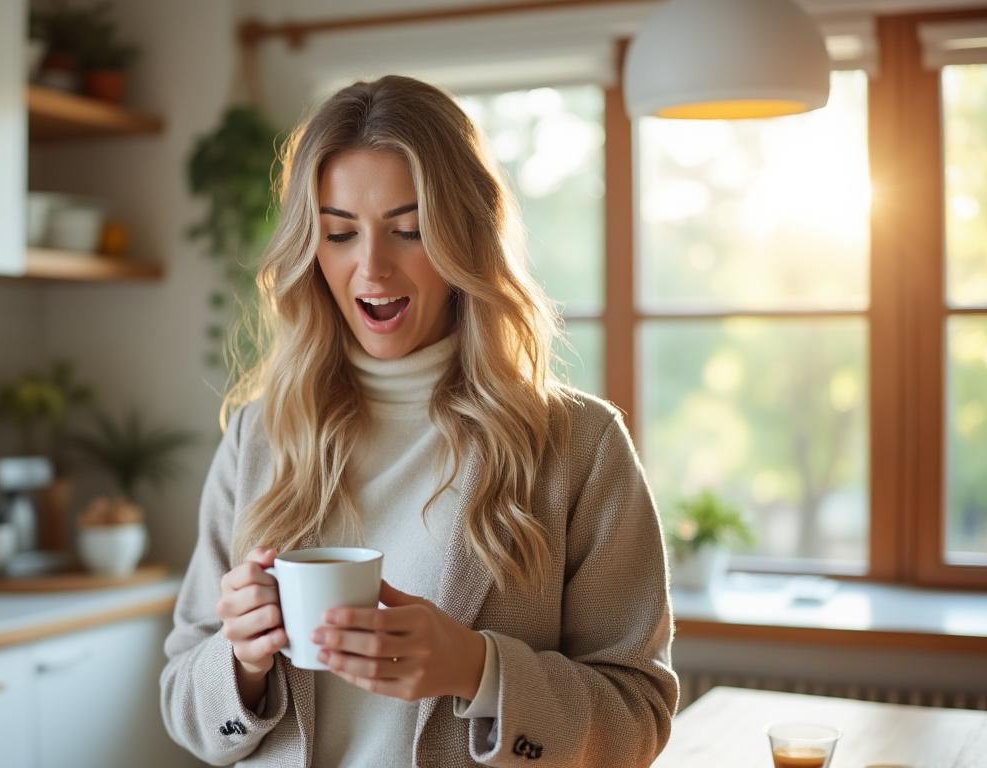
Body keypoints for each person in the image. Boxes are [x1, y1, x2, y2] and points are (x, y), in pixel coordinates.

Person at [160, 75, 677, 767]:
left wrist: (478, 670)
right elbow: (182, 699)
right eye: (340, 234)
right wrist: (241, 662)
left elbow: (638, 716)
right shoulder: (260, 436)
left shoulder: (580, 446)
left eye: (409, 230)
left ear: (467, 237)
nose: (372, 267)